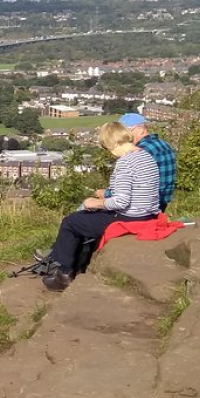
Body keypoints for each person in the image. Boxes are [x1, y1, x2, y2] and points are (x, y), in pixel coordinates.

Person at [41, 121, 160, 292]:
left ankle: (64, 274)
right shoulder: (146, 156)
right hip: (148, 214)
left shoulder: (125, 162)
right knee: (83, 219)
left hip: (129, 218)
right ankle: (76, 264)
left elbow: (121, 202)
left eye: (108, 148)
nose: (110, 153)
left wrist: (96, 203)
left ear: (114, 143)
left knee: (71, 222)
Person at [112, 112, 176, 213]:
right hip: (163, 201)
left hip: (146, 204)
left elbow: (132, 188)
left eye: (127, 131)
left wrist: (107, 194)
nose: (124, 136)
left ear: (141, 129)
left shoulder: (140, 150)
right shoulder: (165, 144)